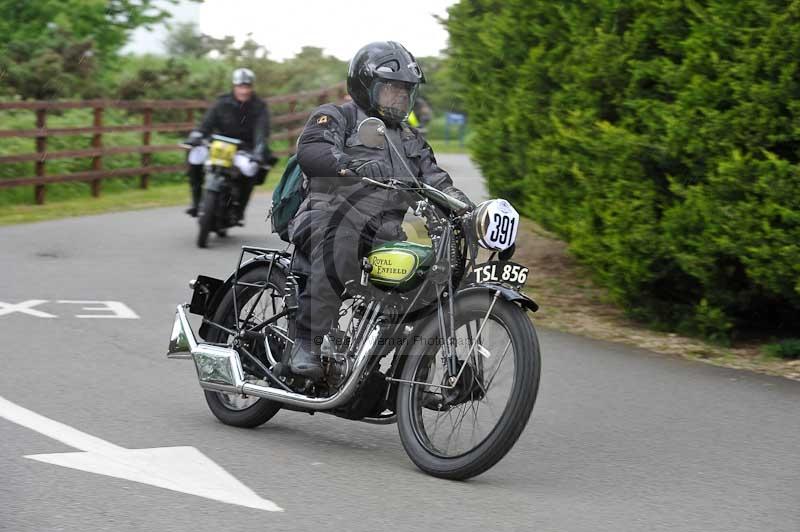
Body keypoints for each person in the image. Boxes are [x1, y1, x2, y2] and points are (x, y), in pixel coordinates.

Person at [287, 41, 472, 380]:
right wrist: (348, 167)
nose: (400, 97)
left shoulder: (410, 138)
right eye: (392, 88)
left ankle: (386, 360)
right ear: (364, 85)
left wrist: (467, 209)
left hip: (383, 231)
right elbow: (312, 150)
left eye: (406, 91)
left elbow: (435, 179)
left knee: (431, 265)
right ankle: (307, 341)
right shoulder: (336, 115)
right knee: (342, 237)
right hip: (325, 215)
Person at [184, 68, 273, 220]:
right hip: (218, 145)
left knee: (251, 168)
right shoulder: (221, 102)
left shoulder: (259, 106)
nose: (244, 91)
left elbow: (261, 131)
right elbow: (206, 124)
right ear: (234, 86)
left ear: (252, 87)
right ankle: (196, 202)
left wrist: (258, 149)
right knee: (194, 156)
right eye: (240, 87)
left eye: (247, 87)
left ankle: (239, 209)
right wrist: (197, 136)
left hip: (244, 149)